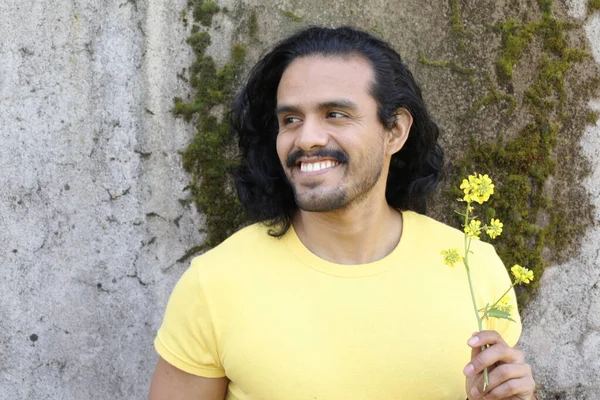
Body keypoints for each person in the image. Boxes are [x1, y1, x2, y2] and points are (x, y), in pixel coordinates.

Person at [149, 26, 536, 400]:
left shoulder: (474, 267)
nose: (307, 138)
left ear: (395, 130)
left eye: (335, 114)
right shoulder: (214, 282)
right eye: (290, 120)